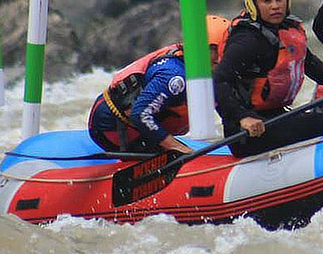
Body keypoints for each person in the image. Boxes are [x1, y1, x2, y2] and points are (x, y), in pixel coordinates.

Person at [213, 0, 323, 157]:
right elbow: (219, 80)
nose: (275, 6)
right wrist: (242, 117)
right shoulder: (247, 40)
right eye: (267, 1)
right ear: (253, 4)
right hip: (248, 132)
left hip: (275, 116)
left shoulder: (287, 28)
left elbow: (306, 60)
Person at [88, 14, 231, 155]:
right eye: (215, 50)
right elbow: (141, 114)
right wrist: (178, 147)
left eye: (225, 50)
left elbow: (223, 104)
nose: (221, 57)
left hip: (137, 123)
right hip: (111, 124)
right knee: (175, 153)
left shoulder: (206, 69)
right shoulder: (174, 76)